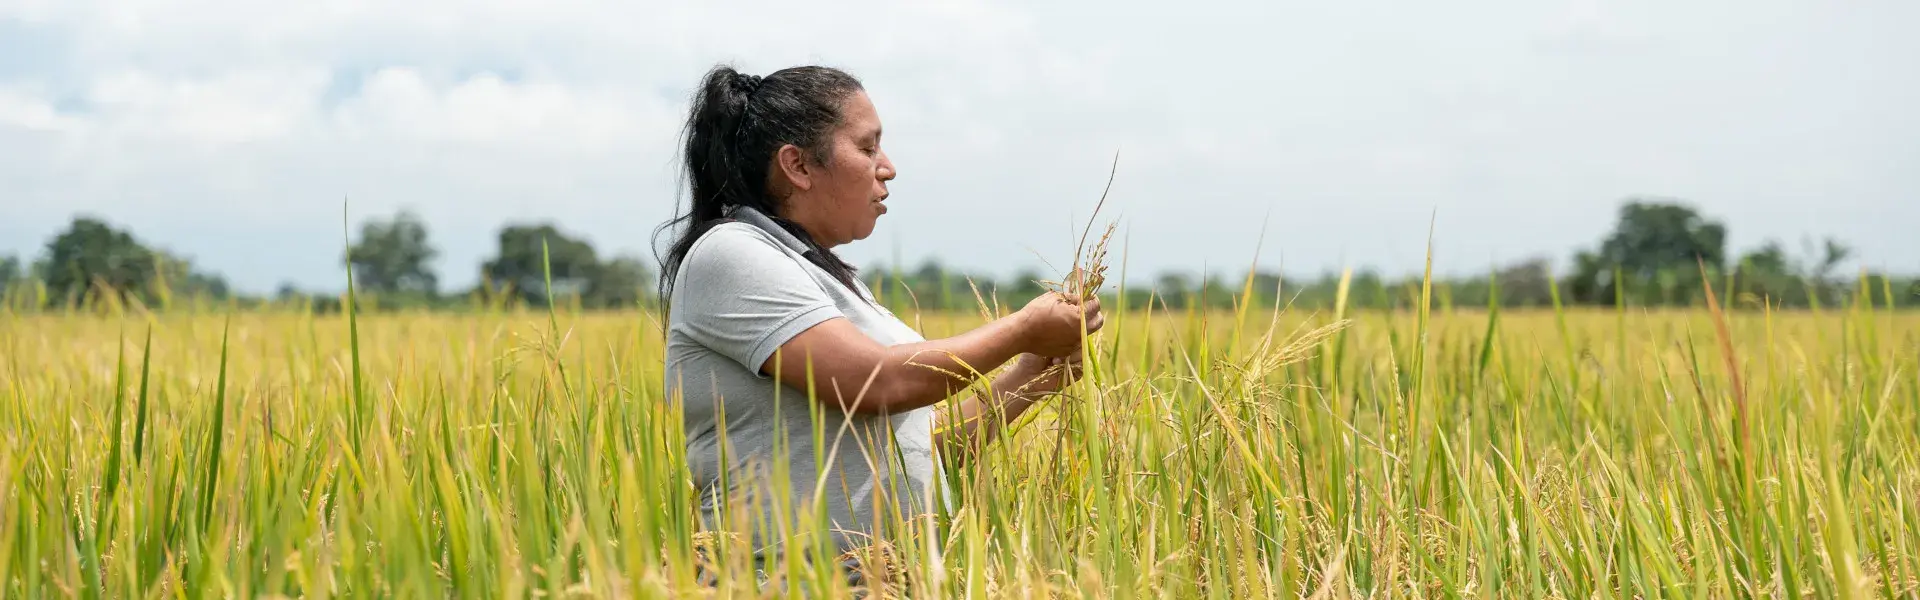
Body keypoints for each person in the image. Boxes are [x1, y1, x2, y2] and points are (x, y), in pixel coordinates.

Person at [656, 64, 1104, 576]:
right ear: (798, 166)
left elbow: (909, 447)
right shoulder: (731, 254)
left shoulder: (823, 275)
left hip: (882, 578)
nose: (887, 167)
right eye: (868, 148)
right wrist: (1021, 329)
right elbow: (875, 382)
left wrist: (1030, 377)